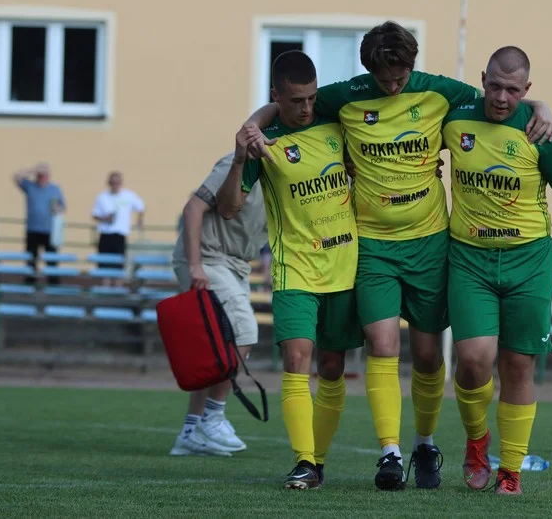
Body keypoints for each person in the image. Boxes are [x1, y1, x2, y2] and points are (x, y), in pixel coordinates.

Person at [243, 21, 552, 490]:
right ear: (368, 69)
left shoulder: (437, 91)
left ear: (412, 64)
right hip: (371, 246)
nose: (392, 85)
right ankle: (389, 452)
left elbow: (496, 97)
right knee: (382, 344)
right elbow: (295, 102)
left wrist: (540, 104)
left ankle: (425, 443)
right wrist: (255, 120)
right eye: (384, 77)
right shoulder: (347, 95)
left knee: (429, 356)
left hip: (430, 243)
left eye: (400, 75)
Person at [443, 47, 552, 495]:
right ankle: (476, 442)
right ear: (482, 79)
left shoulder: (542, 132)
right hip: (469, 258)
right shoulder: (453, 116)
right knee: (472, 360)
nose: (501, 97)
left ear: (527, 90)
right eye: (494, 86)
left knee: (518, 366)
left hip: (528, 261)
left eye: (512, 90)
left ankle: (510, 471)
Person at [218, 51, 363, 490]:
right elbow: (228, 209)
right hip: (294, 267)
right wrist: (241, 158)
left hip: (346, 265)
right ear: (276, 96)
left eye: (312, 98)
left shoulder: (337, 122)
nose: (306, 108)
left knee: (333, 367)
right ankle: (303, 460)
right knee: (297, 359)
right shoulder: (263, 143)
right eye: (297, 100)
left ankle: (316, 460)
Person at [168, 154, 268, 458]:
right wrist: (195, 265)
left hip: (236, 264)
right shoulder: (238, 163)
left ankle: (190, 431)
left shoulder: (288, 171)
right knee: (244, 333)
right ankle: (213, 415)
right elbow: (193, 208)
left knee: (210, 352)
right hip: (208, 259)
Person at [12, 163, 65, 283]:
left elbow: (63, 207)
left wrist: (58, 209)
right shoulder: (30, 186)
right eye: (40, 175)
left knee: (52, 259)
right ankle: (30, 283)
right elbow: (15, 177)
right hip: (33, 229)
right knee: (31, 258)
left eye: (44, 175)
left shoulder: (55, 189)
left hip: (49, 230)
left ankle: (53, 284)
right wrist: (33, 170)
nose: (42, 177)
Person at [91, 171, 145, 273]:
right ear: (109, 183)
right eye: (112, 182)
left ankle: (118, 287)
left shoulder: (128, 195)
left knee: (118, 264)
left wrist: (139, 220)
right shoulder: (102, 197)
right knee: (104, 264)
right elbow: (95, 214)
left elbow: (141, 207)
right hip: (105, 233)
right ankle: (105, 287)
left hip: (120, 234)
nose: (115, 185)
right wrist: (105, 219)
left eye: (117, 182)